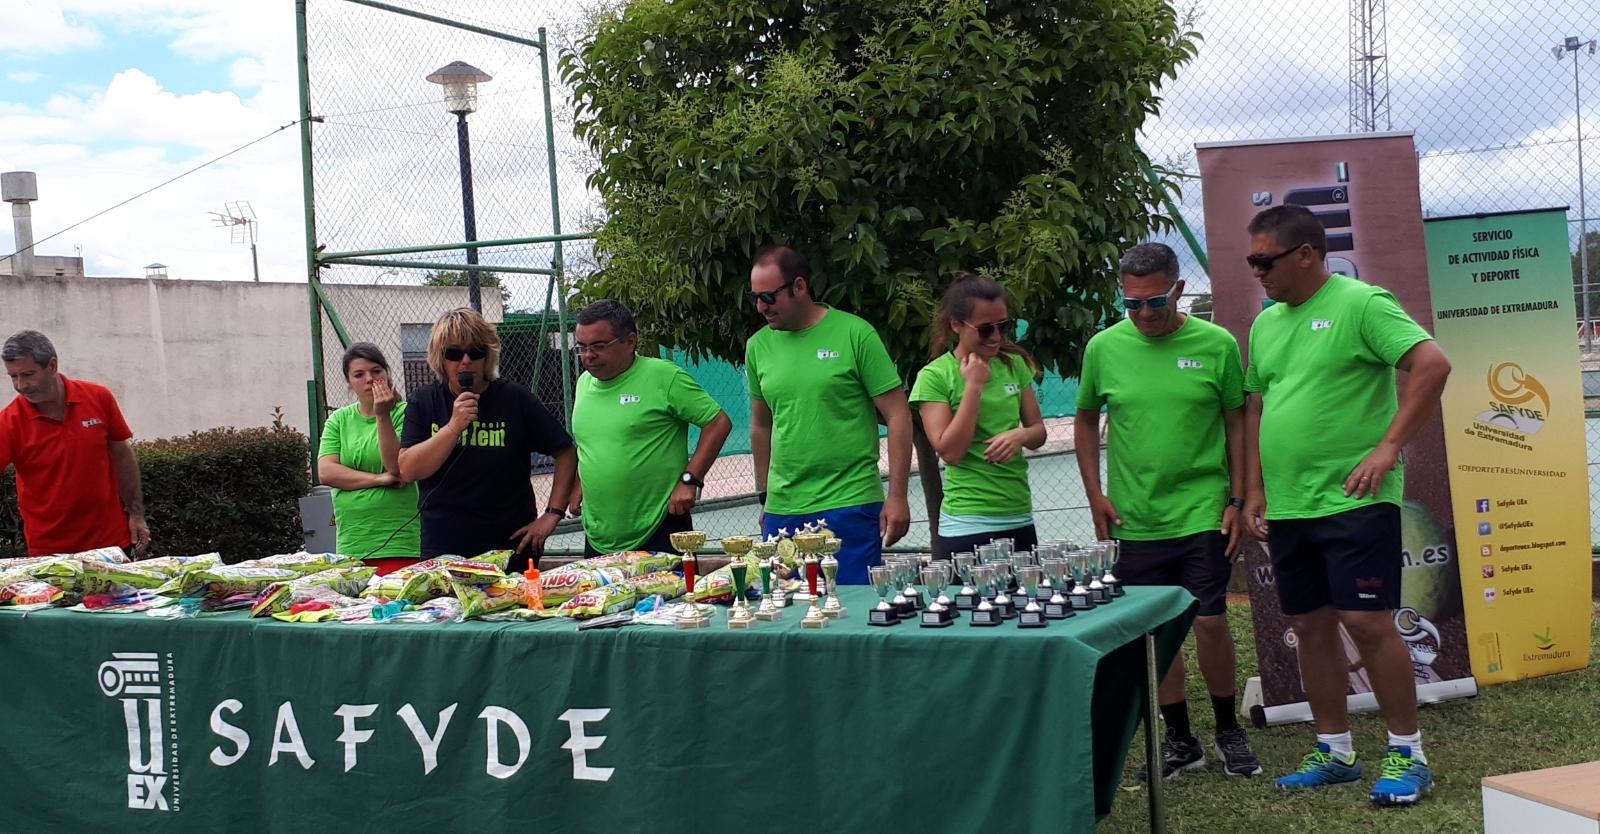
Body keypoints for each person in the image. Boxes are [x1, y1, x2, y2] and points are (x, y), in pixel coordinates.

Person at [1240, 205, 1452, 806]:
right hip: (1290, 505)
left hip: (1355, 500)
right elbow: (1258, 405)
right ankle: (1335, 752)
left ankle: (1408, 754)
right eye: (1251, 261)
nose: (1257, 272)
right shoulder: (1266, 324)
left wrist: (1388, 448)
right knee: (1310, 626)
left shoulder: (1362, 303)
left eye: (1264, 261)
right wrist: (1255, 490)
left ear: (1306, 254)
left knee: (1367, 623)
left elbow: (1432, 364)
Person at [1073, 243, 1261, 779]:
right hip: (1134, 518)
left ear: (1178, 290)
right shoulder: (1103, 348)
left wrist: (1238, 498)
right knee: (1156, 633)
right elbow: (1084, 420)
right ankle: (1181, 739)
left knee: (1209, 620)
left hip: (1203, 509)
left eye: (1155, 301)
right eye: (1132, 303)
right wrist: (1095, 494)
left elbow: (1237, 421)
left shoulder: (1216, 344)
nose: (1144, 314)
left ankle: (1228, 729)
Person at [745, 245, 912, 584]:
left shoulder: (855, 334)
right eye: (755, 298)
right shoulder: (757, 347)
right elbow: (761, 426)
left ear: (800, 286)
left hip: (850, 503)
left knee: (848, 607)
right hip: (783, 509)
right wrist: (766, 498)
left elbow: (898, 414)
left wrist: (897, 496)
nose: (761, 307)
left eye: (768, 297)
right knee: (785, 608)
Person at [399, 308, 577, 573]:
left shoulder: (514, 398)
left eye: (476, 351)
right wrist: (453, 427)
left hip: (510, 544)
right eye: (454, 353)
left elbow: (566, 452)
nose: (466, 361)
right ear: (440, 358)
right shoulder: (424, 402)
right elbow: (408, 469)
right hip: (444, 545)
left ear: (488, 355)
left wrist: (553, 513)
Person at [567, 299, 733, 556]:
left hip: (660, 526)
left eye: (598, 346)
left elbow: (718, 422)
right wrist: (579, 484)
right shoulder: (584, 384)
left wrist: (690, 479)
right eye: (582, 347)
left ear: (630, 341)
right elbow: (591, 445)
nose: (588, 356)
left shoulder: (664, 376)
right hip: (600, 535)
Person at [910, 272, 1046, 559]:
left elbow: (1038, 432)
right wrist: (973, 386)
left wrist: (1020, 435)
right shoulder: (935, 376)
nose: (996, 337)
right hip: (967, 523)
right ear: (956, 325)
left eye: (1003, 326)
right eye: (985, 330)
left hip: (1019, 516)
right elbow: (951, 452)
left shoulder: (1014, 364)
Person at [0, 330, 149, 557]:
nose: (21, 385)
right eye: (13, 376)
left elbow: (122, 455)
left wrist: (136, 515)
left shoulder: (98, 397)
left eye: (28, 374)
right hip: (50, 552)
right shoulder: (8, 422)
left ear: (52, 365)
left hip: (112, 543)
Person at [317, 342, 420, 572]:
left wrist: (382, 416)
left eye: (376, 371)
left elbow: (397, 468)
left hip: (399, 543)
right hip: (353, 543)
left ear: (387, 373)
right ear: (349, 382)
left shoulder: (406, 413)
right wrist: (378, 479)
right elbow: (326, 472)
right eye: (359, 375)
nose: (370, 379)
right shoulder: (338, 420)